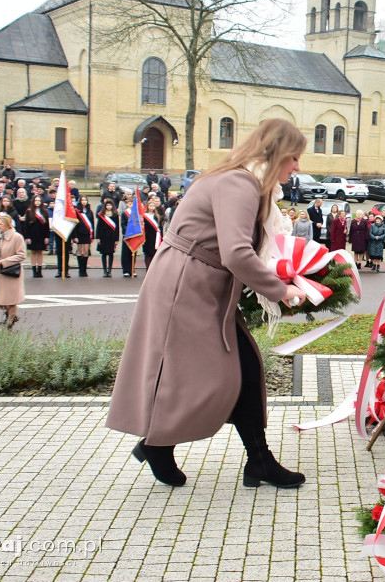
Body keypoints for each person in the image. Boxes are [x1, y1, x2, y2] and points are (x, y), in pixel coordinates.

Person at [107, 118, 308, 489]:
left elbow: (234, 251)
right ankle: (159, 445)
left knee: (244, 367)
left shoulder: (240, 179)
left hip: (199, 281)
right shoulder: (239, 183)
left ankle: (256, 460)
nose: (297, 167)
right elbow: (236, 252)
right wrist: (282, 290)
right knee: (188, 374)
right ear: (276, 153)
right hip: (187, 286)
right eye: (294, 157)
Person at [0, 213, 26, 328]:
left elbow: (21, 255)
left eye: (0, 224)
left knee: (11, 300)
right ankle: (11, 315)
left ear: (7, 225)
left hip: (11, 272)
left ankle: (10, 322)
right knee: (0, 301)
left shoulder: (17, 237)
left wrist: (5, 261)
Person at [23, 194, 50, 278]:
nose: (37, 202)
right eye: (36, 201)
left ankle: (40, 270)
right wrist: (27, 237)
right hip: (32, 235)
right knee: (33, 252)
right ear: (33, 202)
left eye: (39, 201)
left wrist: (47, 237)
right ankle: (34, 269)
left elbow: (47, 225)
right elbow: (26, 225)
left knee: (40, 252)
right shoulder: (29, 211)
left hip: (41, 235)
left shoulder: (44, 212)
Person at [95, 198, 120, 278]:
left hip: (112, 237)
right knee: (104, 254)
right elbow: (98, 227)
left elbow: (117, 228)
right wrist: (98, 237)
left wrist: (116, 239)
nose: (109, 207)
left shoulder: (115, 215)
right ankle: (104, 270)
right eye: (107, 205)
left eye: (110, 205)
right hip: (103, 236)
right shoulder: (101, 215)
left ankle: (109, 270)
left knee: (111, 253)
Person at [72, 196, 95, 277]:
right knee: (79, 250)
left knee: (86, 251)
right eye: (82, 200)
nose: (84, 201)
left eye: (85, 200)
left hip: (87, 233)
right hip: (79, 233)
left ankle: (84, 269)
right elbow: (74, 224)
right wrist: (74, 236)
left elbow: (92, 224)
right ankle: (80, 269)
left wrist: (93, 235)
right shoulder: (77, 211)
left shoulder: (90, 212)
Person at [141, 196, 163, 271]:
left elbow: (160, 228)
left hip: (155, 237)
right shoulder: (144, 216)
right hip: (147, 237)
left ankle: (153, 269)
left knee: (154, 254)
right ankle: (148, 268)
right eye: (150, 205)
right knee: (147, 254)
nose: (152, 207)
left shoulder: (157, 216)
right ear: (147, 206)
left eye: (153, 206)